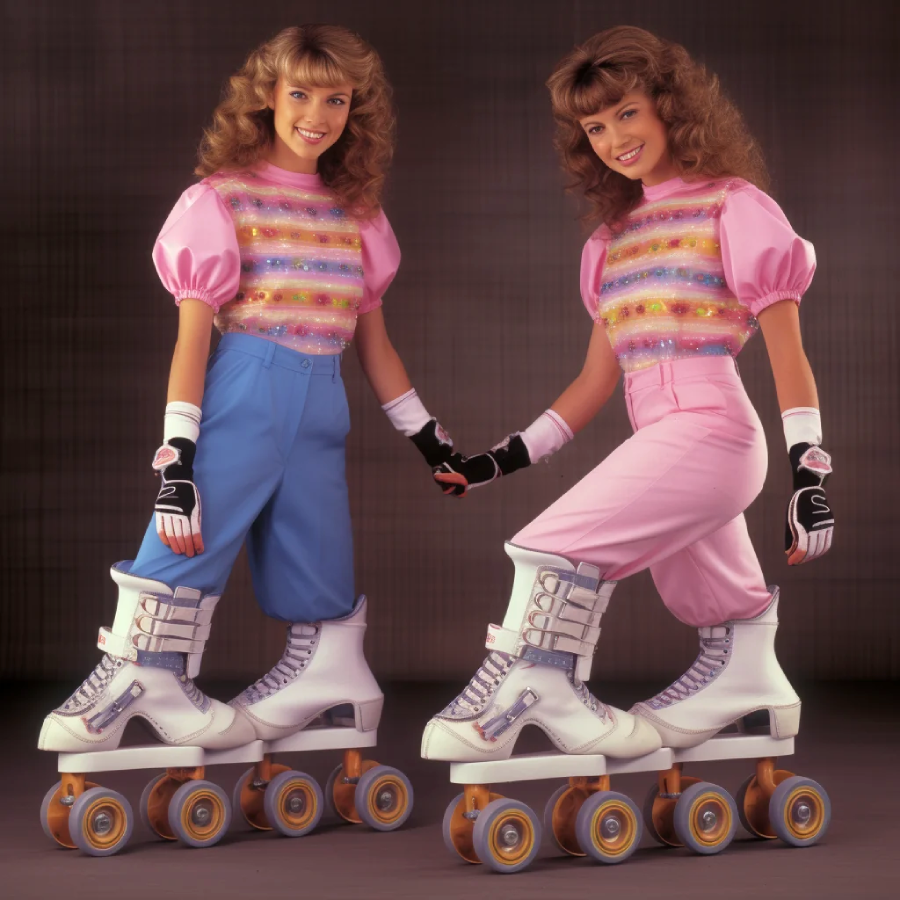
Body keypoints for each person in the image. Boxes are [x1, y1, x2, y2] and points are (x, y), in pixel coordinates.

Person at [40, 24, 458, 754]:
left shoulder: (357, 216)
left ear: (355, 107)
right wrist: (177, 457)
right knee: (190, 531)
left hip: (324, 401)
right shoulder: (221, 200)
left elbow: (376, 346)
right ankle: (137, 680)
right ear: (268, 96)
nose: (317, 115)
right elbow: (193, 339)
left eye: (336, 98)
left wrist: (428, 439)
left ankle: (328, 670)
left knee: (316, 542)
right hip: (247, 387)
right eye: (300, 93)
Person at [422, 25, 833, 762]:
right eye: (595, 126)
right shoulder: (610, 243)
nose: (615, 138)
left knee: (549, 548)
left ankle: (544, 688)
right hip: (663, 442)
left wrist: (811, 475)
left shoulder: (734, 207)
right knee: (721, 600)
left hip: (714, 433)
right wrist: (498, 462)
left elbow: (787, 353)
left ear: (670, 106)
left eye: (627, 113)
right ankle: (747, 674)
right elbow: (592, 384)